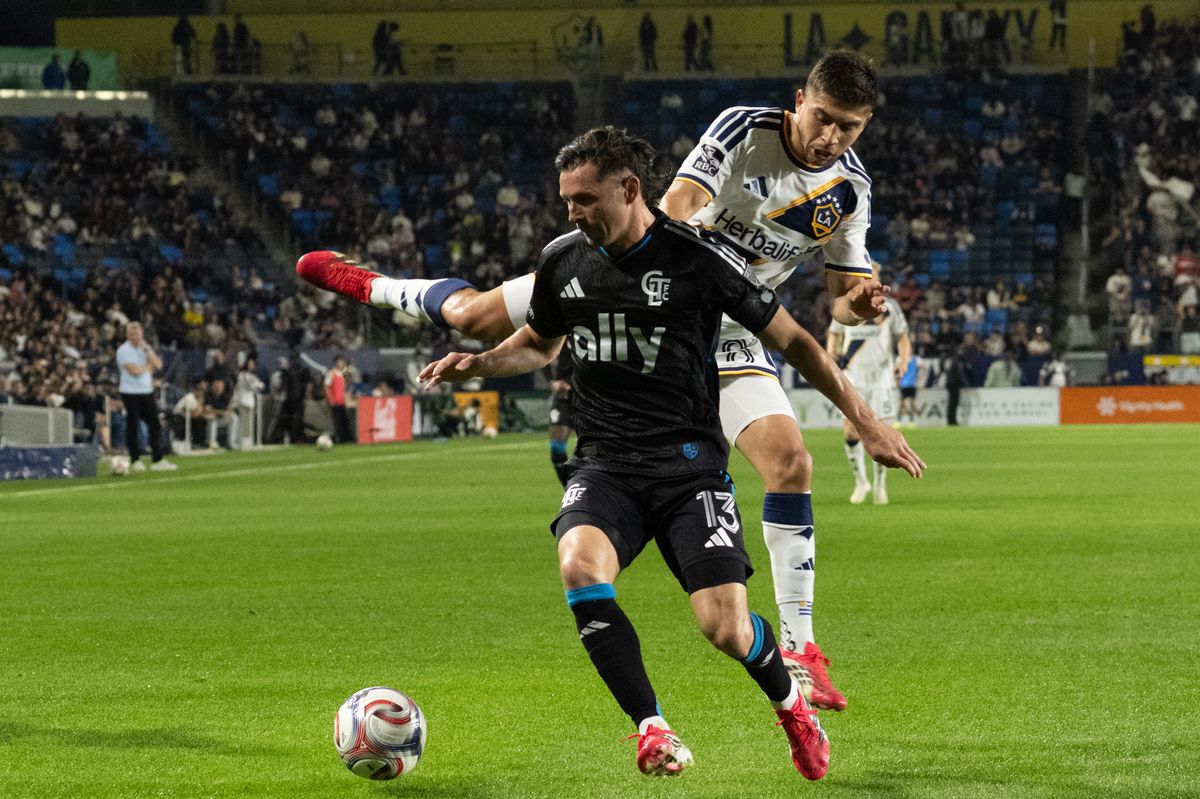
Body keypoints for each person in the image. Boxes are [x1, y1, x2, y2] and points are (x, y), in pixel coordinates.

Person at [296, 51, 888, 708]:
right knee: (474, 316)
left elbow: (840, 295)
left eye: (850, 128)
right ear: (800, 98)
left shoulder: (850, 187)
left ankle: (804, 651)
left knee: (791, 460)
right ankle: (371, 283)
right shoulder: (743, 130)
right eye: (825, 118)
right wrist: (684, 272)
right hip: (634, 279)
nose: (832, 138)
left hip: (727, 327)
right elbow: (678, 205)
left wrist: (855, 303)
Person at [419, 127, 924, 779]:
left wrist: (867, 419)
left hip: (690, 470)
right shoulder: (562, 260)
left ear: (629, 189)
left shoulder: (698, 260)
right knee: (578, 565)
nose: (572, 211)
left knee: (726, 629)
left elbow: (796, 340)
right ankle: (651, 728)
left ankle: (792, 704)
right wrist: (482, 362)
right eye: (566, 199)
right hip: (605, 463)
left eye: (584, 198)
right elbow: (542, 343)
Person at [826, 288, 911, 505]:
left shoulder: (889, 308)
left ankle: (881, 486)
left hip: (881, 378)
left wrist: (903, 362)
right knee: (850, 430)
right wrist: (831, 355)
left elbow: (903, 338)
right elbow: (834, 333)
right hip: (852, 375)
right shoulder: (845, 305)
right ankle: (861, 482)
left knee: (881, 431)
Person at [115, 321, 176, 471]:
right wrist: (148, 367)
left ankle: (157, 459)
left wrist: (148, 352)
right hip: (130, 392)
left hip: (146, 391)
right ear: (128, 335)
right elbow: (133, 370)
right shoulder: (123, 350)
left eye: (138, 333)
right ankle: (135, 459)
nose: (136, 336)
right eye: (132, 333)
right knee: (133, 426)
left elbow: (159, 365)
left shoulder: (145, 347)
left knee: (154, 424)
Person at [547, 347, 575, 486]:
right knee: (556, 450)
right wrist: (552, 381)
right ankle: (570, 491)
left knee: (594, 450)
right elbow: (540, 350)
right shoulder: (561, 332)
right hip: (563, 397)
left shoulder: (591, 331)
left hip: (589, 396)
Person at [234, 357, 265, 449]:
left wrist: (256, 384)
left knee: (249, 424)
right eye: (250, 364)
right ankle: (241, 442)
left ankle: (248, 442)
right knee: (244, 423)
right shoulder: (242, 375)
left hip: (250, 401)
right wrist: (256, 384)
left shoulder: (251, 375)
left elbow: (262, 385)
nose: (252, 365)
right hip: (243, 401)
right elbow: (251, 386)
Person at [325, 354, 353, 444]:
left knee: (344, 420)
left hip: (342, 401)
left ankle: (346, 438)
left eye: (342, 361)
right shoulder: (332, 373)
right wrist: (331, 399)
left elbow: (347, 373)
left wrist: (350, 362)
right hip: (335, 402)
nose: (341, 363)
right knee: (336, 421)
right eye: (340, 361)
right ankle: (338, 439)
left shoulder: (341, 373)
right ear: (336, 362)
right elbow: (326, 386)